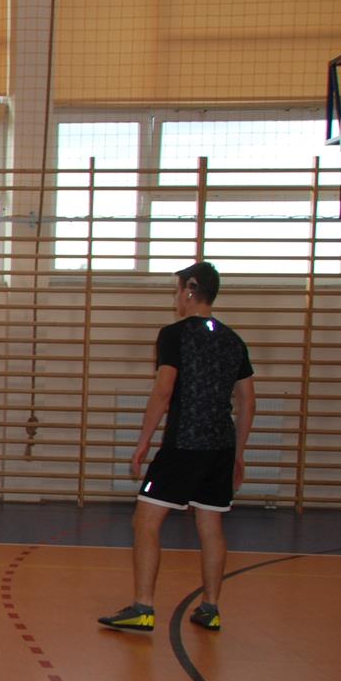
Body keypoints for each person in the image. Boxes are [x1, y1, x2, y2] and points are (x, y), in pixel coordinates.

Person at [100, 262, 255, 634]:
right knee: (210, 524)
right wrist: (239, 453)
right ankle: (210, 608)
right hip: (220, 447)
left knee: (145, 521)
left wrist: (143, 441)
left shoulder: (174, 335)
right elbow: (248, 401)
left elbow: (164, 390)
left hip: (184, 444)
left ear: (190, 289)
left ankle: (143, 607)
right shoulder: (232, 340)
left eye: (176, 291)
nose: (175, 299)